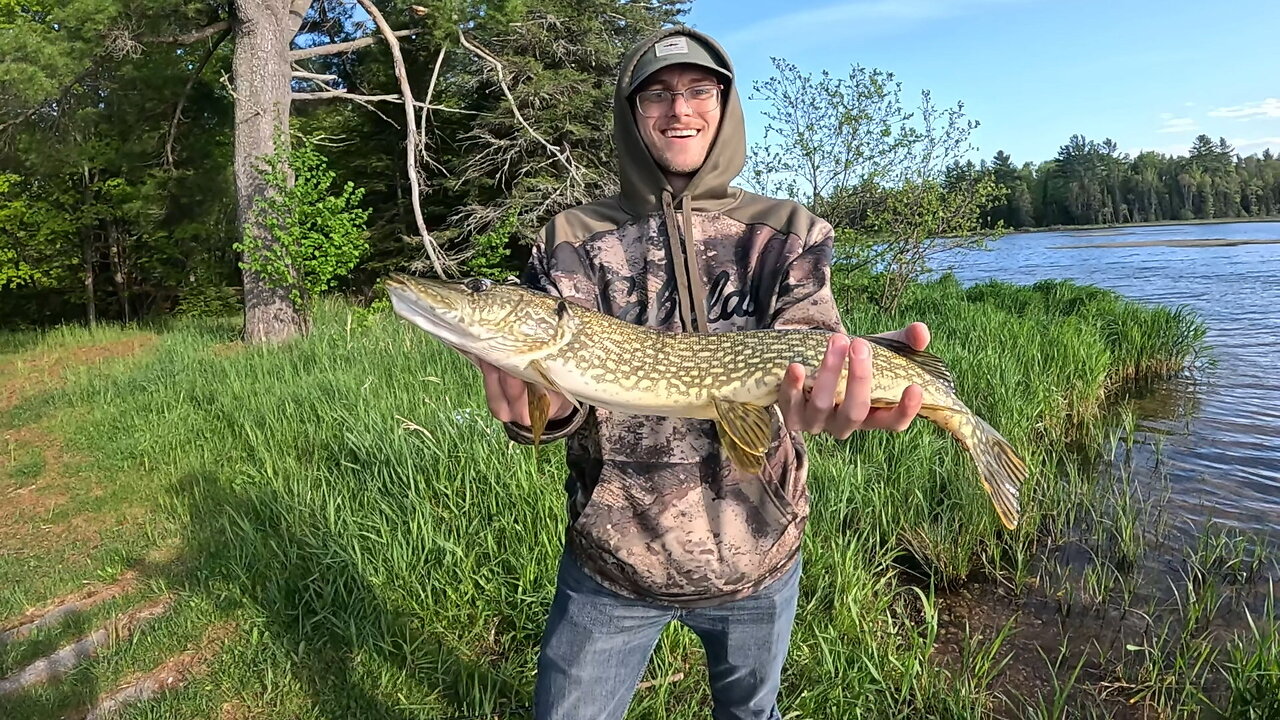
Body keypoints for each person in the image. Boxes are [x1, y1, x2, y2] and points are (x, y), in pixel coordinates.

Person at [469, 25, 931, 720]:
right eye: (655, 94)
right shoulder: (571, 237)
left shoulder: (790, 231)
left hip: (759, 549)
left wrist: (828, 397)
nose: (678, 109)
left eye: (697, 91)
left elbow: (812, 349)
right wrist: (543, 410)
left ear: (725, 104)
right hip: (613, 559)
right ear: (631, 115)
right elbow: (562, 405)